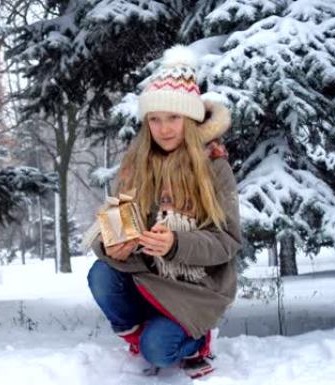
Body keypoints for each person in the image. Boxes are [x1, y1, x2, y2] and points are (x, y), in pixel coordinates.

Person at [85, 45, 242, 379]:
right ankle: (141, 334)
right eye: (154, 119)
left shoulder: (214, 166)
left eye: (173, 117)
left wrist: (175, 244)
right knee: (101, 273)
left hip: (194, 289)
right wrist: (111, 245)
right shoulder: (135, 166)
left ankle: (195, 338)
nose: (164, 128)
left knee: (158, 350)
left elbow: (228, 241)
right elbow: (116, 221)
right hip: (148, 278)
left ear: (190, 117)